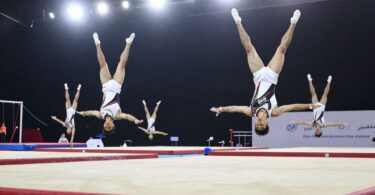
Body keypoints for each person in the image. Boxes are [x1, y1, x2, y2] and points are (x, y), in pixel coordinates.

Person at [210, 9, 319, 136]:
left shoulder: (252, 111)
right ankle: (293, 22)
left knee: (249, 49)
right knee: (282, 49)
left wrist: (221, 109)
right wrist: (310, 106)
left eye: (257, 124)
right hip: (272, 77)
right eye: (262, 125)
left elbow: (235, 108)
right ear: (268, 123)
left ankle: (238, 21)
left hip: (259, 77)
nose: (259, 122)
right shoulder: (274, 111)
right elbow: (293, 106)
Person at [77, 32, 143, 135]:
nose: (107, 126)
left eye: (106, 128)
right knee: (122, 65)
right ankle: (128, 43)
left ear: (103, 125)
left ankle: (97, 44)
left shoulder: (101, 115)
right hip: (116, 86)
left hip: (106, 85)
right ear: (113, 125)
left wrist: (82, 113)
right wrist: (135, 120)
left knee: (103, 64)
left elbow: (91, 112)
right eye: (110, 128)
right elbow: (127, 116)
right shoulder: (117, 115)